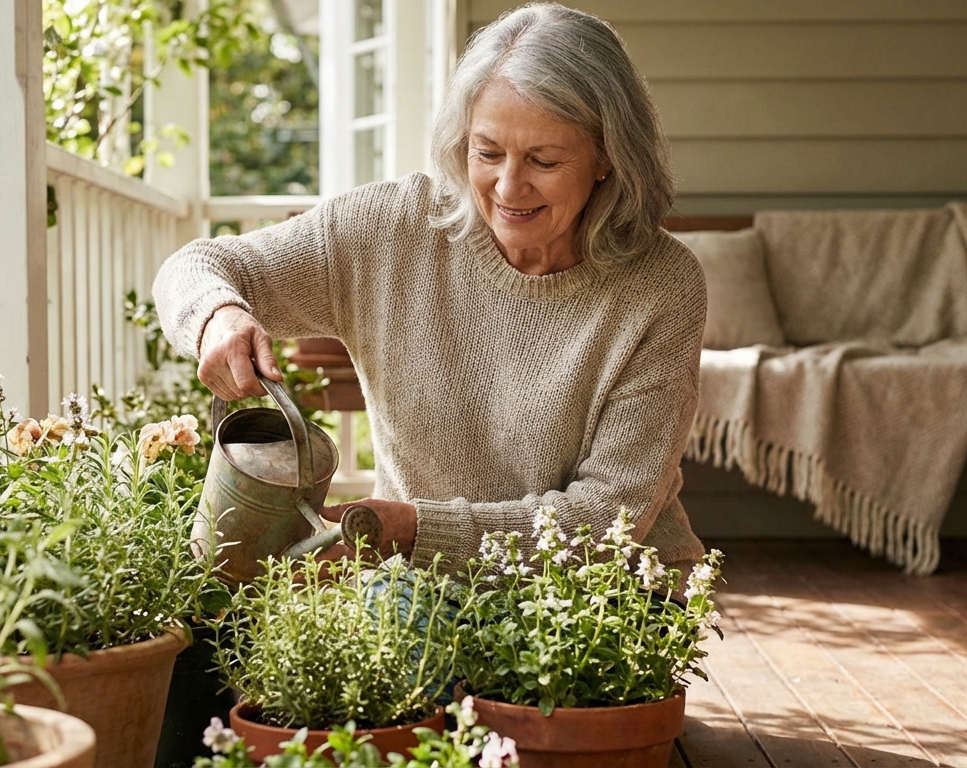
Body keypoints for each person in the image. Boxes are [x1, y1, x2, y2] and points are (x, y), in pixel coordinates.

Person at [153, 2, 706, 579]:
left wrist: (411, 530)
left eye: (544, 160)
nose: (508, 186)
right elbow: (197, 264)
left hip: (597, 600)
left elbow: (604, 517)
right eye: (487, 152)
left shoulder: (661, 285)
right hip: (417, 587)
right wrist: (217, 314)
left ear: (606, 158)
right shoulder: (394, 229)